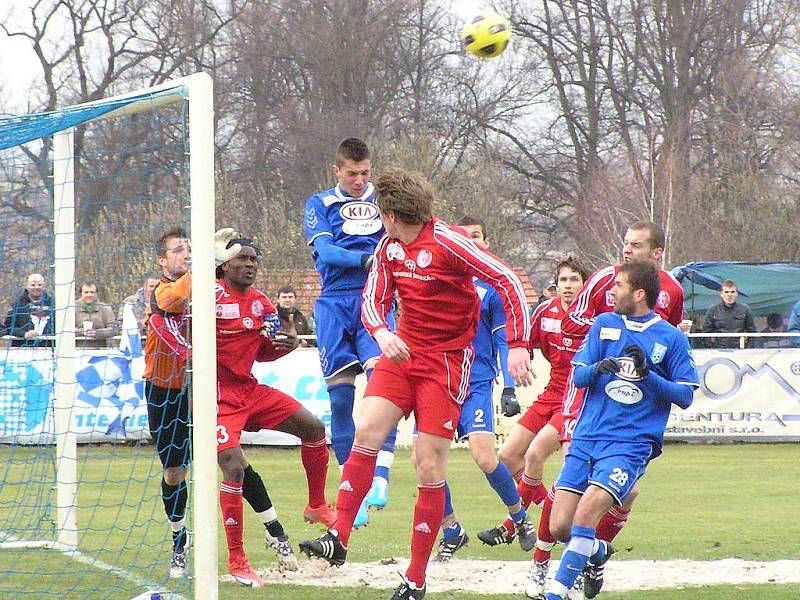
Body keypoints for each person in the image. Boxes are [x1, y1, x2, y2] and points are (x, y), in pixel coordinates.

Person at [300, 167, 535, 599]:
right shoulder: (389, 248)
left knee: (428, 465)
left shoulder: (448, 241)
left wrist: (518, 343)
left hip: (446, 365)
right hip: (402, 353)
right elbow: (373, 299)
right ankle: (340, 538)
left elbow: (507, 280)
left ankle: (416, 577)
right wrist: (382, 333)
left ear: (388, 213)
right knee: (367, 429)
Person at [144, 227, 299, 581]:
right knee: (175, 471)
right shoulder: (162, 293)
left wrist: (271, 340)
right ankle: (179, 539)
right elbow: (176, 330)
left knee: (234, 462)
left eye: (189, 249)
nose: (185, 254)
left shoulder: (211, 292)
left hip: (210, 391)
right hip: (168, 393)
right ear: (162, 259)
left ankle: (274, 531)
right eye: (177, 250)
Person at [543, 260, 698, 599]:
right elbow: (578, 376)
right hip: (587, 436)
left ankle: (555, 593)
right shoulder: (603, 325)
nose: (611, 291)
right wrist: (598, 367)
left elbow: (685, 394)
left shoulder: (669, 338)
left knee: (586, 514)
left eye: (618, 286)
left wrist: (649, 376)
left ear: (639, 293)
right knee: (560, 527)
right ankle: (597, 553)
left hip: (629, 443)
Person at [214, 235, 333, 588]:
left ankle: (315, 504)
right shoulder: (210, 298)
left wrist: (289, 343)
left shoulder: (262, 303)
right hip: (216, 396)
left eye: (254, 260)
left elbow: (264, 351)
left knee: (313, 428)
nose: (250, 265)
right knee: (233, 466)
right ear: (224, 265)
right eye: (242, 259)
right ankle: (237, 558)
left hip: (249, 390)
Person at [304, 137, 398, 526]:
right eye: (352, 174)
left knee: (384, 387)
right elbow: (326, 254)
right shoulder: (319, 204)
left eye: (365, 173)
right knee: (341, 402)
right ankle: (350, 490)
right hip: (333, 304)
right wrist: (370, 257)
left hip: (374, 300)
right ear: (337, 170)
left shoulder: (386, 201)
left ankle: (381, 474)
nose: (360, 181)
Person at [431, 215, 534, 562]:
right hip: (440, 381)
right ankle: (451, 531)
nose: (472, 242)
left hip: (474, 382)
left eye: (478, 236)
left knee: (484, 455)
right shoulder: (442, 282)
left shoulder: (491, 288)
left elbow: (502, 339)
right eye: (466, 237)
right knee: (425, 461)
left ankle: (519, 517)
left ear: (487, 243)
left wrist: (507, 387)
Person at [3, 272, 54, 347]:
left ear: (44, 286)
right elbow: (8, 327)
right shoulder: (18, 305)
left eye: (39, 285)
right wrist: (24, 334)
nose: (36, 287)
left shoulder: (53, 303)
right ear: (27, 286)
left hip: (49, 348)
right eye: (33, 285)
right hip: (22, 348)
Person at [702, 280, 756, 348]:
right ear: (721, 294)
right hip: (718, 351)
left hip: (740, 352)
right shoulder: (713, 310)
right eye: (726, 292)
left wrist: (747, 349)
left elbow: (752, 332)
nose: (729, 295)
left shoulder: (744, 309)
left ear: (737, 294)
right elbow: (705, 333)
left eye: (732, 292)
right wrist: (711, 349)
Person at [74, 281, 119, 348]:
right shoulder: (72, 307)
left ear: (96, 294)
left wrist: (97, 333)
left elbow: (114, 329)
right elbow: (66, 328)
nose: (89, 295)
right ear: (81, 293)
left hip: (101, 349)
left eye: (92, 292)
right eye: (86, 292)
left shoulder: (105, 308)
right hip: (76, 349)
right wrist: (83, 332)